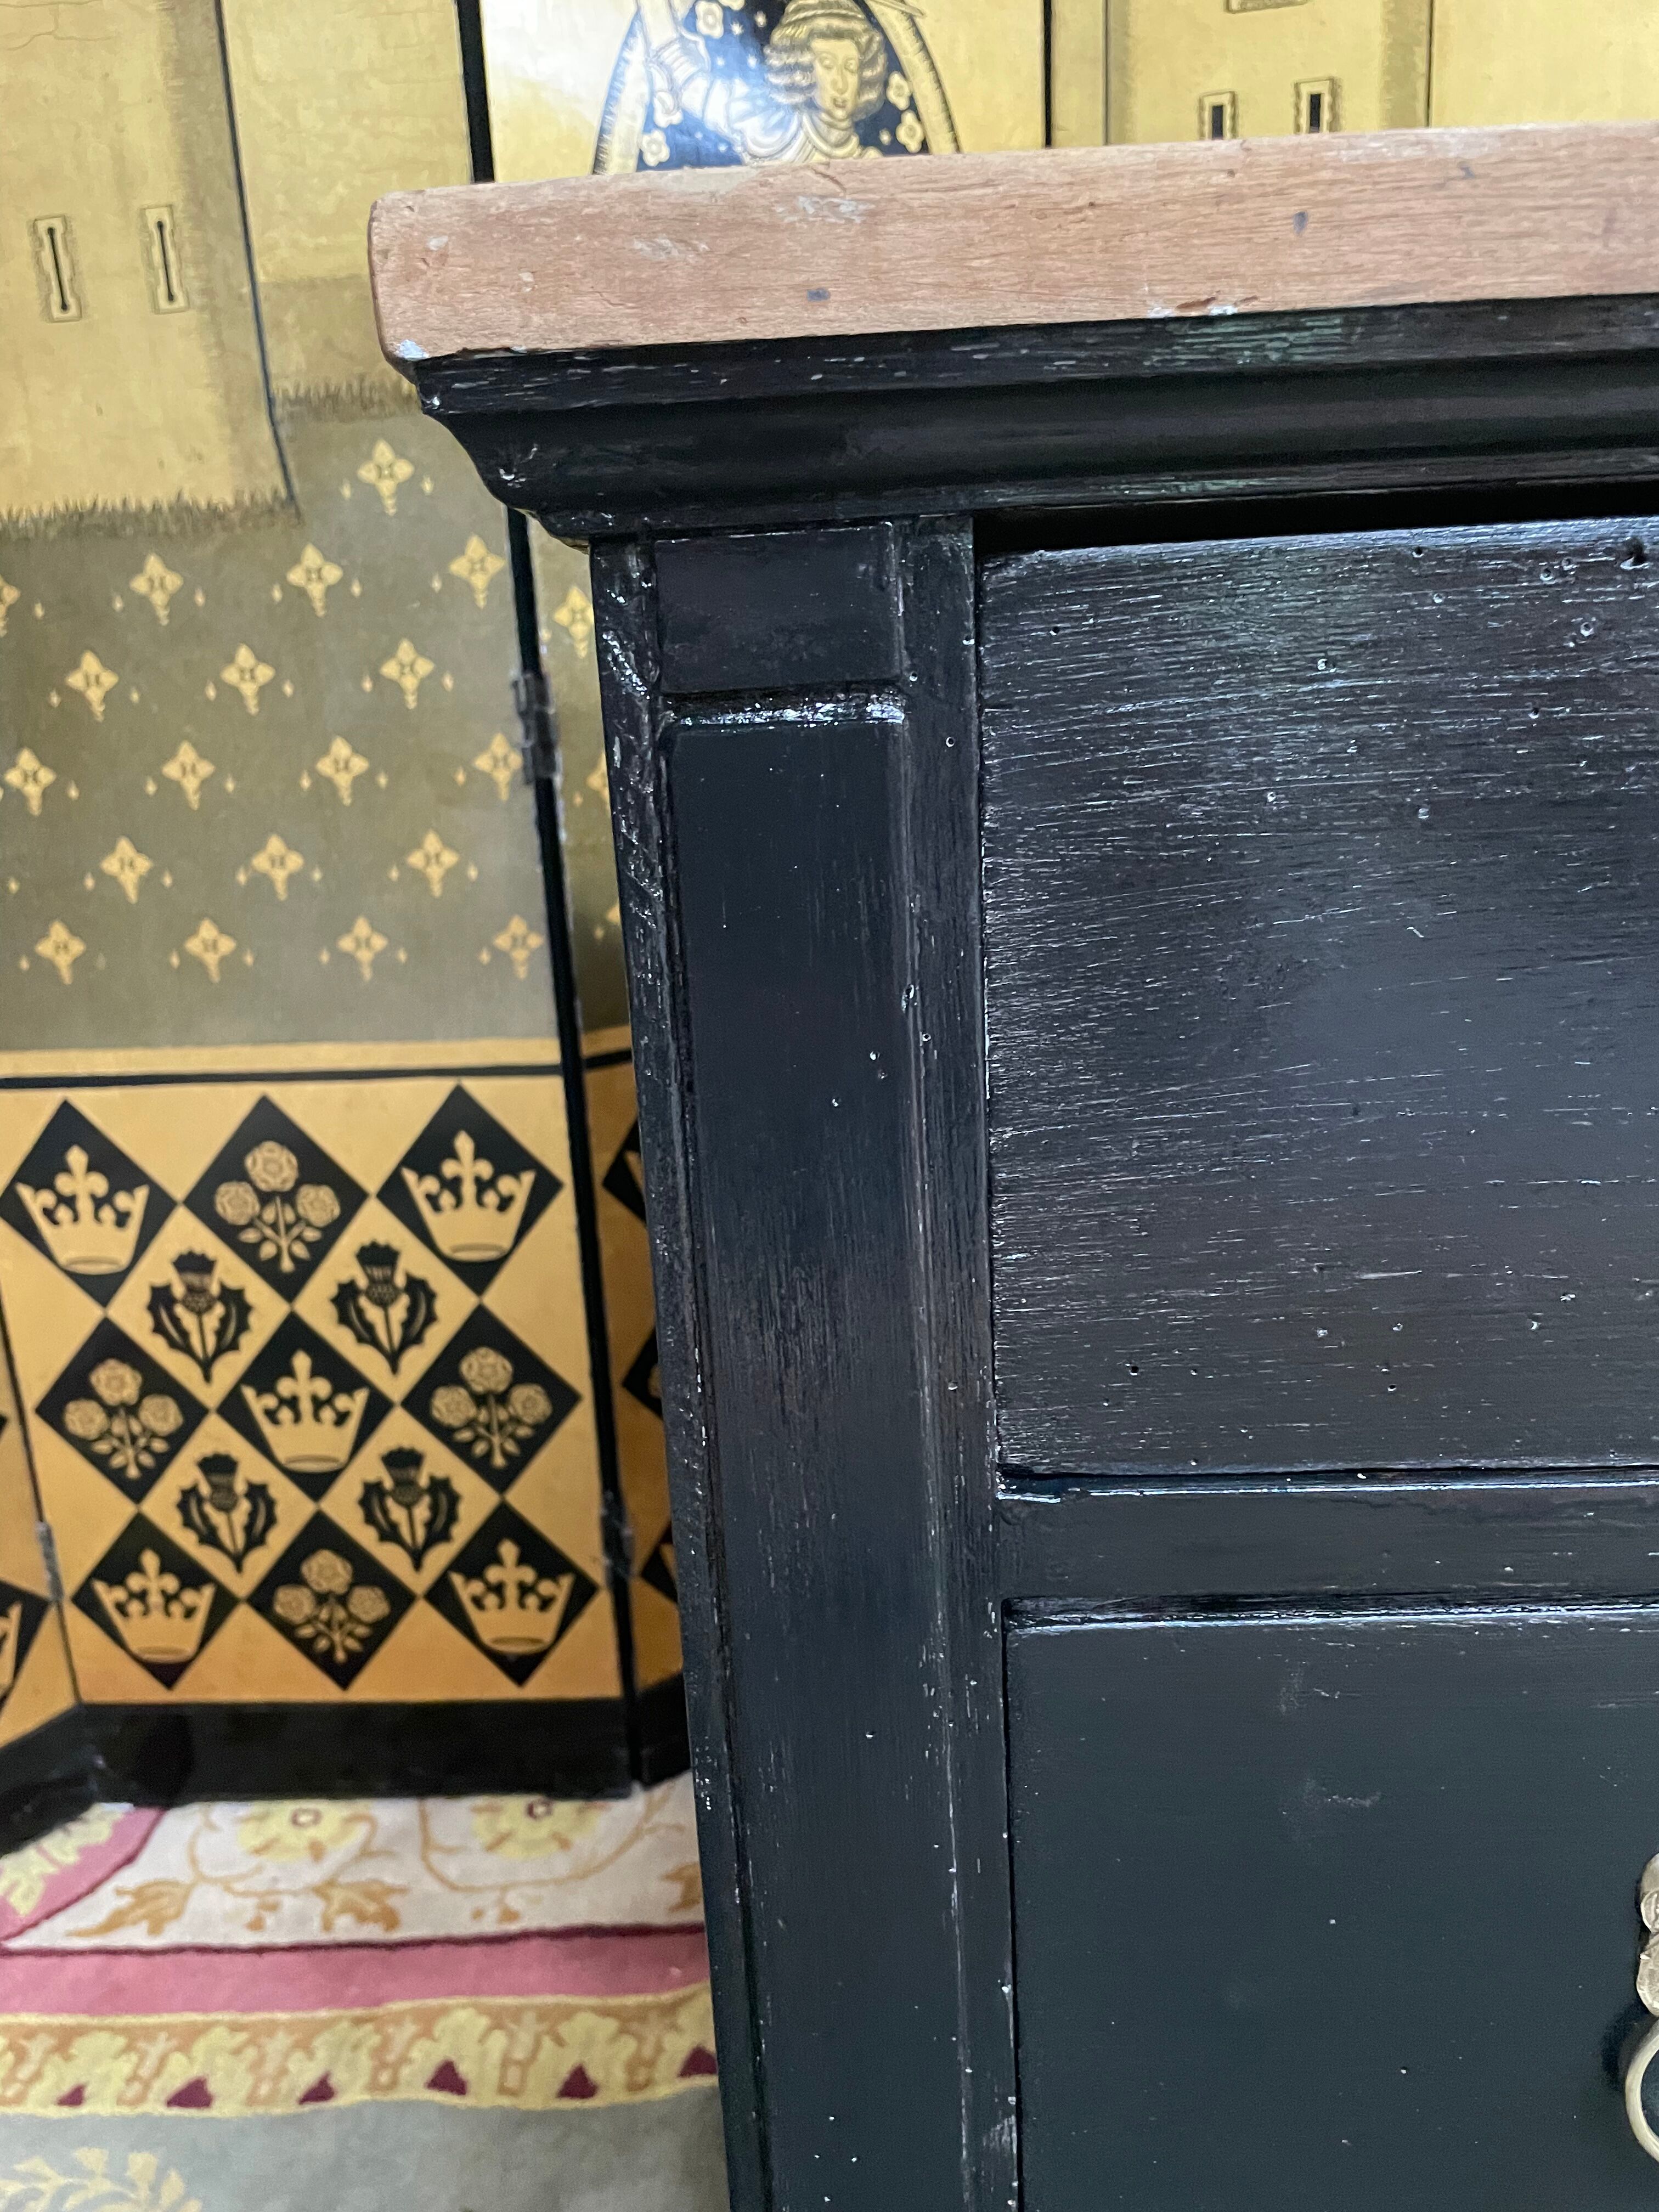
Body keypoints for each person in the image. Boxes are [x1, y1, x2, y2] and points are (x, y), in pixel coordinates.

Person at [636, 0, 892, 164]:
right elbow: (689, 83)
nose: (841, 84)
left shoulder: (869, 164)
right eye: (827, 65)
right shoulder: (770, 128)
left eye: (851, 67)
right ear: (801, 69)